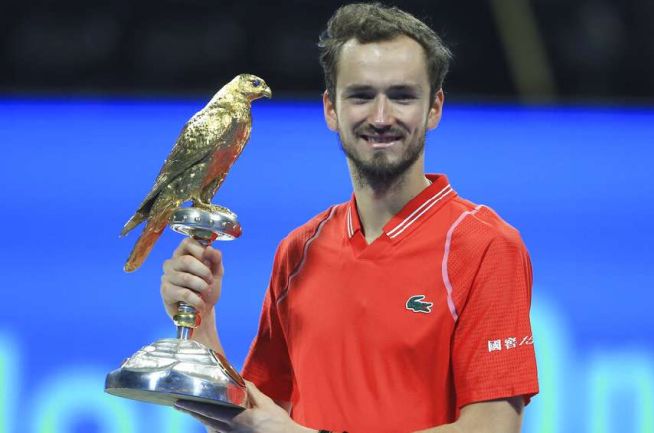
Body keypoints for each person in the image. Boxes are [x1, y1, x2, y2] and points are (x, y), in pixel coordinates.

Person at [163, 4, 538, 433]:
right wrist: (202, 325)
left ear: (434, 108)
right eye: (361, 96)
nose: (381, 118)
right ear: (331, 109)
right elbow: (253, 421)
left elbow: (492, 428)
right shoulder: (298, 251)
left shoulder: (485, 246)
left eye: (402, 96)